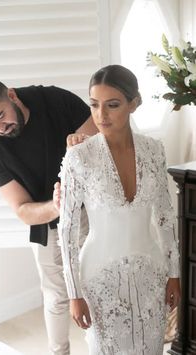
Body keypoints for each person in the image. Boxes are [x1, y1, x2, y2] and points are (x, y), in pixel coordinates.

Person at [0, 77, 98, 355]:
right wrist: (56, 206)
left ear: (11, 95)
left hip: (92, 211)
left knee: (98, 286)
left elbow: (100, 141)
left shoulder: (56, 101)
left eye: (0, 116)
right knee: (56, 296)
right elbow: (23, 209)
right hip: (45, 220)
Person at [56, 64, 181, 354]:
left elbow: (164, 215)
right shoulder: (80, 157)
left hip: (150, 270)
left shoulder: (154, 150)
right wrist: (74, 295)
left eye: (112, 105)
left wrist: (173, 273)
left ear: (134, 103)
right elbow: (67, 231)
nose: (101, 115)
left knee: (150, 346)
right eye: (94, 105)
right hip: (100, 275)